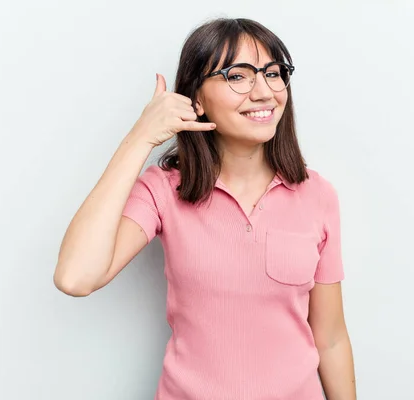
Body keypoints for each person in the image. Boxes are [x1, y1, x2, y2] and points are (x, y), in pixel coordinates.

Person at [53, 17, 356, 400]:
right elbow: (75, 277)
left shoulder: (318, 195)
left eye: (273, 73)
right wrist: (140, 138)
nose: (264, 91)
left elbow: (330, 339)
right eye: (238, 75)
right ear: (196, 98)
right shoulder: (165, 190)